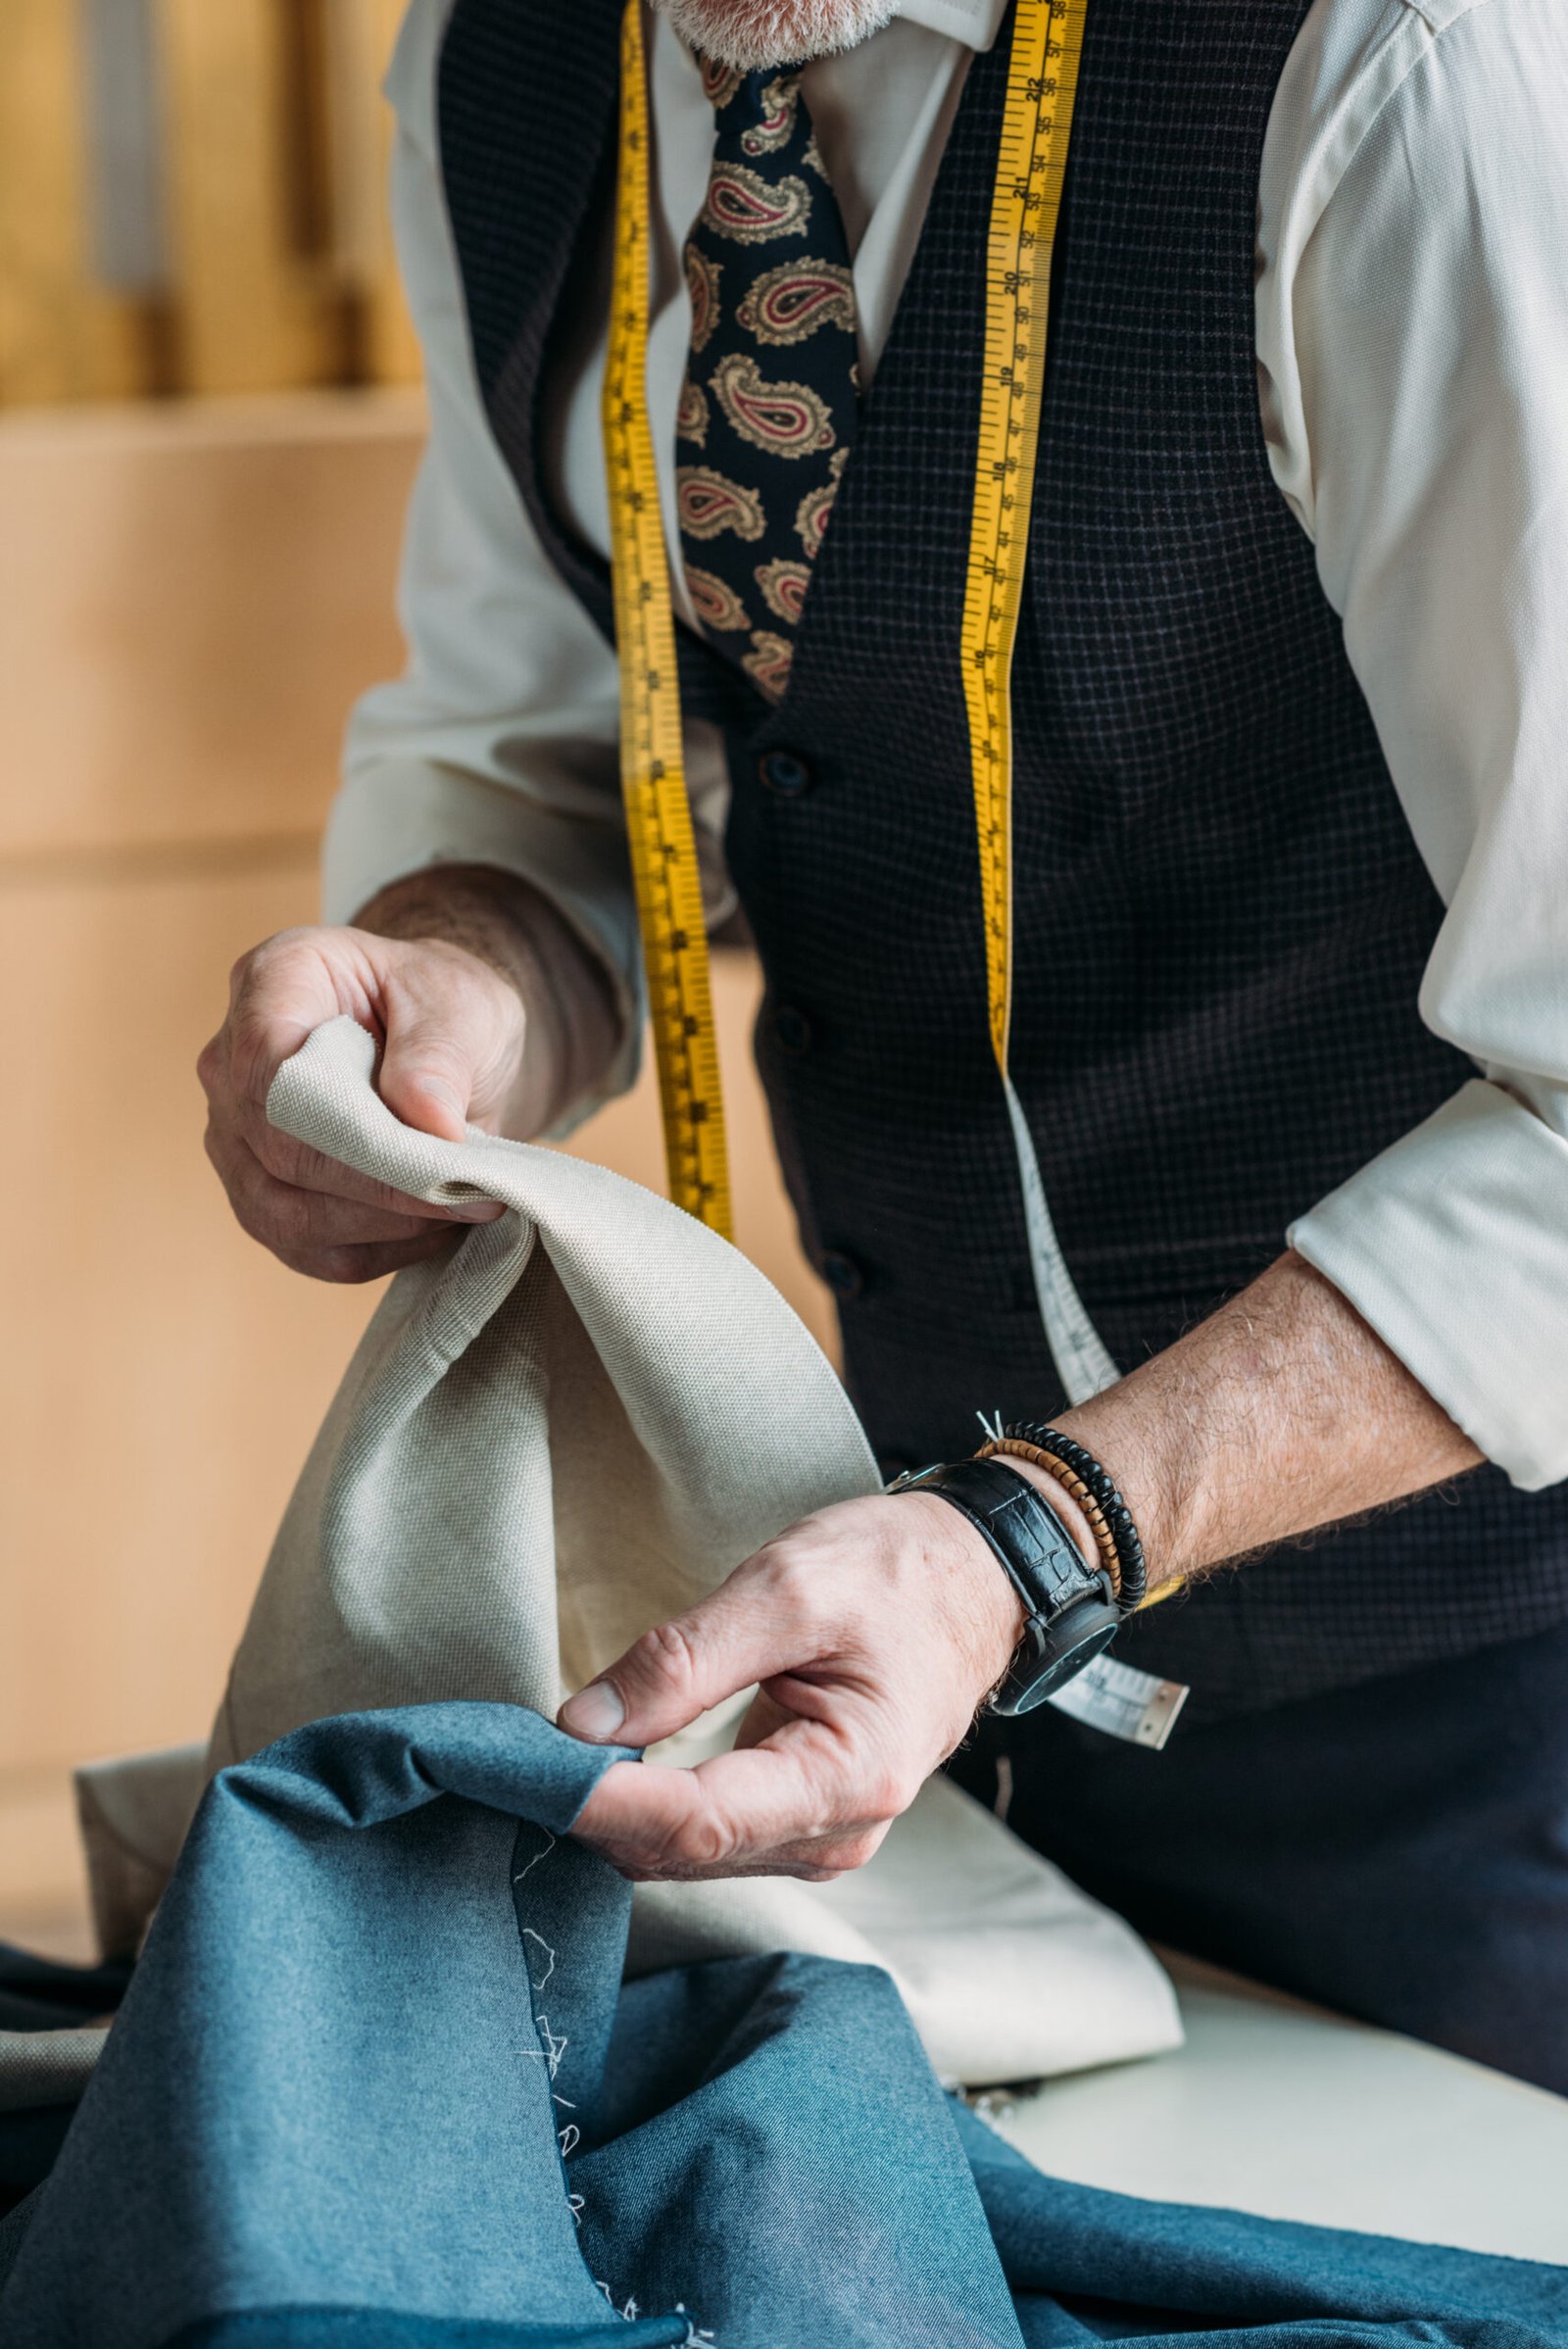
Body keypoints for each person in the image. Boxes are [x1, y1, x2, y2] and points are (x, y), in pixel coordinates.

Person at [198, 0, 1568, 2090]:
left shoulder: (1403, 75)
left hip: (1486, 1689)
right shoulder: (509, 57)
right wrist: (450, 971)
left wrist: (1031, 1536)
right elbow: (566, 755)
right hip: (933, 1656)